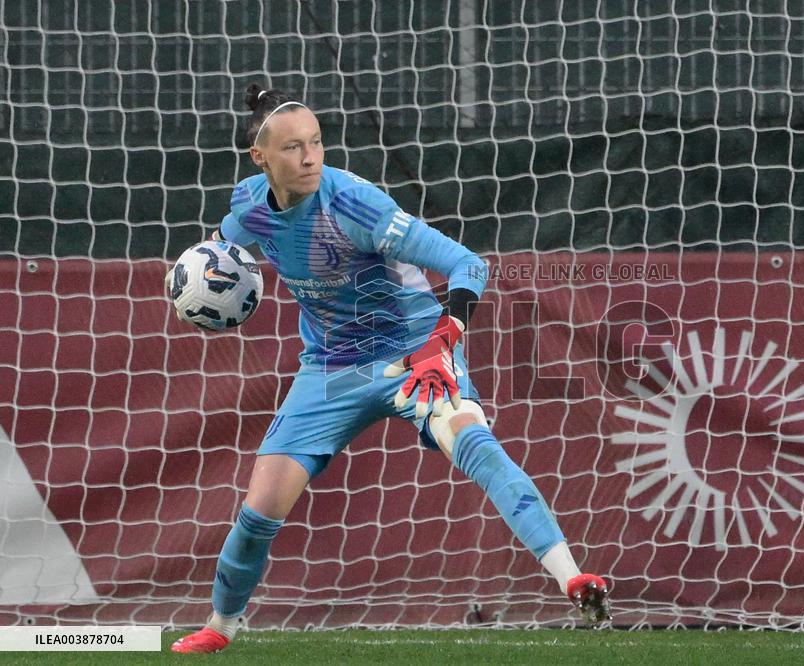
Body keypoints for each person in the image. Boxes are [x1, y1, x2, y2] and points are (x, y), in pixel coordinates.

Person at [170, 85, 610, 654]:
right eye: (293, 148)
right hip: (330, 366)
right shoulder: (250, 205)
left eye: (317, 144)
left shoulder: (355, 204)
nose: (309, 158)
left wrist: (439, 344)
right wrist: (202, 292)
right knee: (260, 510)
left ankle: (571, 577)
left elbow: (467, 265)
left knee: (474, 442)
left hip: (413, 351)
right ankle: (219, 628)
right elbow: (221, 254)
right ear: (261, 158)